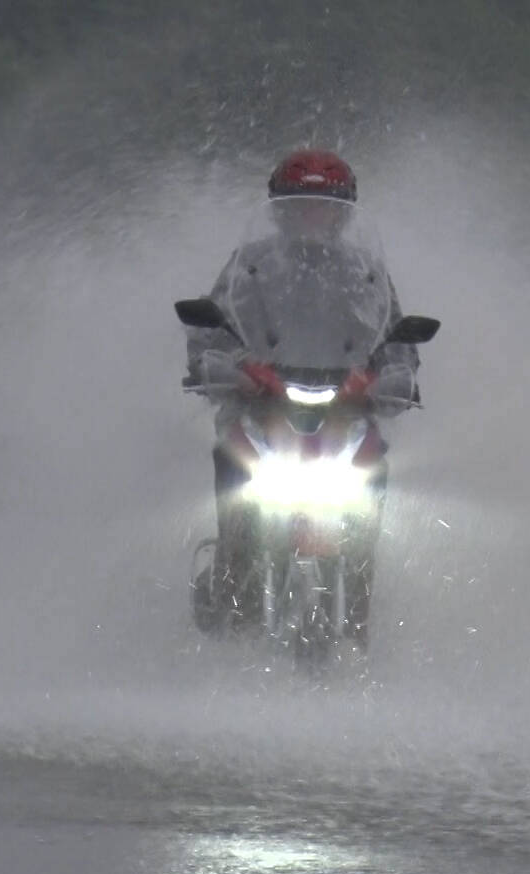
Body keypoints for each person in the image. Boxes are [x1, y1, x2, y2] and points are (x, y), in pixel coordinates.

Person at [184, 149, 421, 636]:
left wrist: (393, 376)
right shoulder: (251, 265)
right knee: (235, 461)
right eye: (301, 205)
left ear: (344, 213)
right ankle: (232, 581)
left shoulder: (364, 272)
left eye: (325, 206)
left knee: (370, 471)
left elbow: (394, 338)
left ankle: (357, 614)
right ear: (279, 211)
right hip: (262, 405)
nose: (313, 215)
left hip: (343, 411)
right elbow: (213, 327)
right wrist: (226, 367)